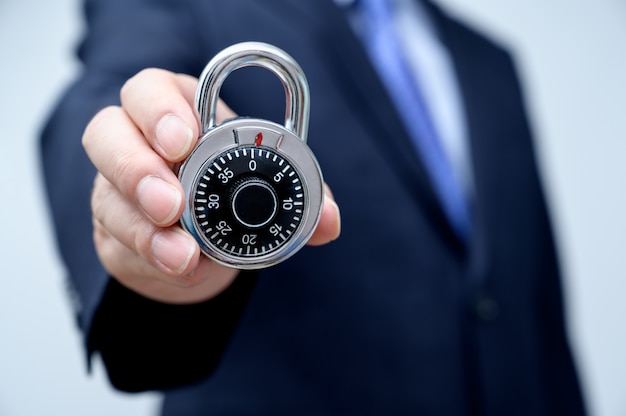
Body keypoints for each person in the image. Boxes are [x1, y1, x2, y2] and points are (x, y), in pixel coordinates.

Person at [40, 0, 587, 414]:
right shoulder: (179, 7)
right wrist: (135, 212)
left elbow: (534, 305)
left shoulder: (489, 60)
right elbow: (110, 96)